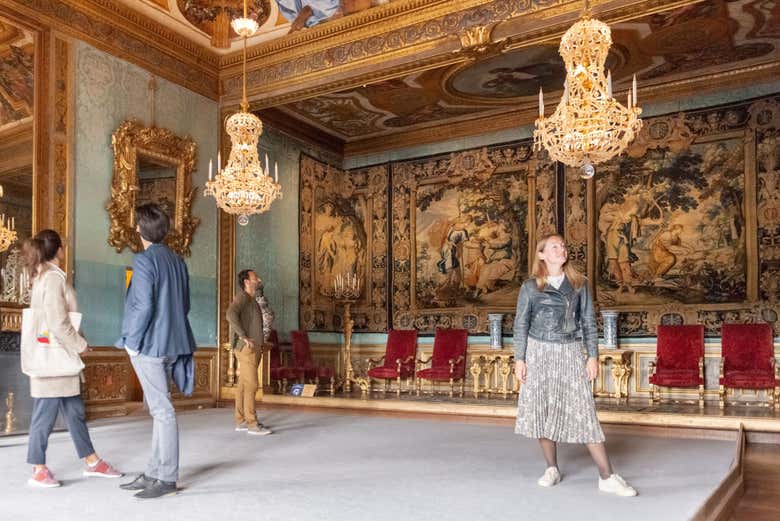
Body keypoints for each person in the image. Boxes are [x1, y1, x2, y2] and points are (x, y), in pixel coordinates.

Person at [513, 234, 637, 496]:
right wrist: (520, 359)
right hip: (538, 352)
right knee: (542, 409)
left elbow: (589, 323)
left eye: (563, 246)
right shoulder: (530, 287)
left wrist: (592, 356)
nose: (562, 249)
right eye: (555, 246)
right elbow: (521, 325)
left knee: (584, 410)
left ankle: (606, 476)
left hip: (570, 351)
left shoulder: (580, 284)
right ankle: (551, 468)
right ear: (542, 254)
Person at [21, 229, 122, 487]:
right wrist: (81, 345)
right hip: (57, 358)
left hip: (58, 358)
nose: (65, 250)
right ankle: (38, 468)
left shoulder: (42, 276)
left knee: (75, 411)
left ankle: (92, 461)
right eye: (63, 246)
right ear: (58, 250)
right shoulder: (53, 278)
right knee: (45, 413)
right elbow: (58, 321)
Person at [115, 204, 196, 499]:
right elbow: (184, 306)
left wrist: (131, 342)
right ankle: (154, 471)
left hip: (150, 345)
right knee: (160, 409)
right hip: (175, 344)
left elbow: (142, 306)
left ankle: (167, 478)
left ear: (139, 229)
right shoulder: (178, 261)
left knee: (163, 411)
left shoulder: (144, 260)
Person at [227, 269, 272, 436]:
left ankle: (240, 421)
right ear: (247, 281)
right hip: (247, 350)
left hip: (253, 349)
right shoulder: (242, 297)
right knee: (252, 384)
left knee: (243, 385)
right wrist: (244, 336)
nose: (258, 279)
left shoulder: (250, 300)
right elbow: (230, 314)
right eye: (255, 277)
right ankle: (252, 424)